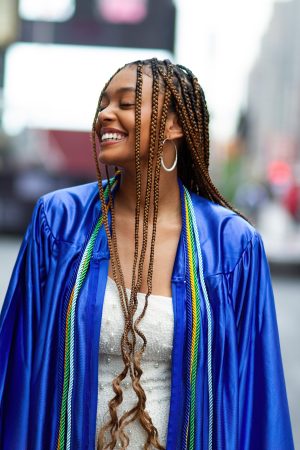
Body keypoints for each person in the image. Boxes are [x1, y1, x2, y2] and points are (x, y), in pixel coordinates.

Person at [0, 58, 294, 450]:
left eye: (125, 103)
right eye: (103, 103)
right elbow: (15, 369)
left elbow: (259, 396)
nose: (105, 114)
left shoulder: (232, 247)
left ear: (172, 124)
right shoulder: (59, 223)